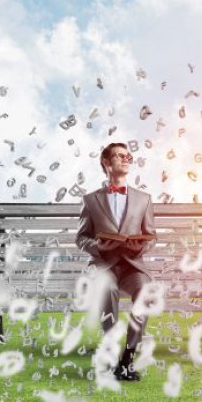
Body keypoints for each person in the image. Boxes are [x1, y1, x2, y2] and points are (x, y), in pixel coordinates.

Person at [75, 142, 156, 381]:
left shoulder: (144, 199)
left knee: (145, 290)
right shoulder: (90, 200)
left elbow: (151, 236)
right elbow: (81, 238)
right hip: (103, 265)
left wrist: (141, 245)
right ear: (106, 163)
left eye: (128, 155)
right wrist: (98, 246)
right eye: (119, 156)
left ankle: (127, 358)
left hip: (133, 265)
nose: (126, 159)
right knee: (107, 287)